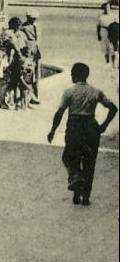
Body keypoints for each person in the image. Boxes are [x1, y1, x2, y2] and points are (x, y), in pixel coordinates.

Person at [47, 63, 118, 206]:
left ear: (76, 75)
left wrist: (53, 130)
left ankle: (76, 180)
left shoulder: (69, 92)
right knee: (89, 162)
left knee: (70, 157)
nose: (71, 76)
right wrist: (103, 125)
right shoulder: (96, 92)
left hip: (74, 127)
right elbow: (113, 108)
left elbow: (60, 112)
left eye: (72, 74)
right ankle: (85, 197)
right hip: (91, 128)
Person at [21, 9, 42, 104]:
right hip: (30, 50)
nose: (33, 20)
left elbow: (39, 39)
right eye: (31, 18)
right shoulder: (24, 26)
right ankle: (31, 96)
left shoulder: (36, 26)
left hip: (36, 51)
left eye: (34, 18)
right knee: (29, 74)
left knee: (36, 75)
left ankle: (35, 96)